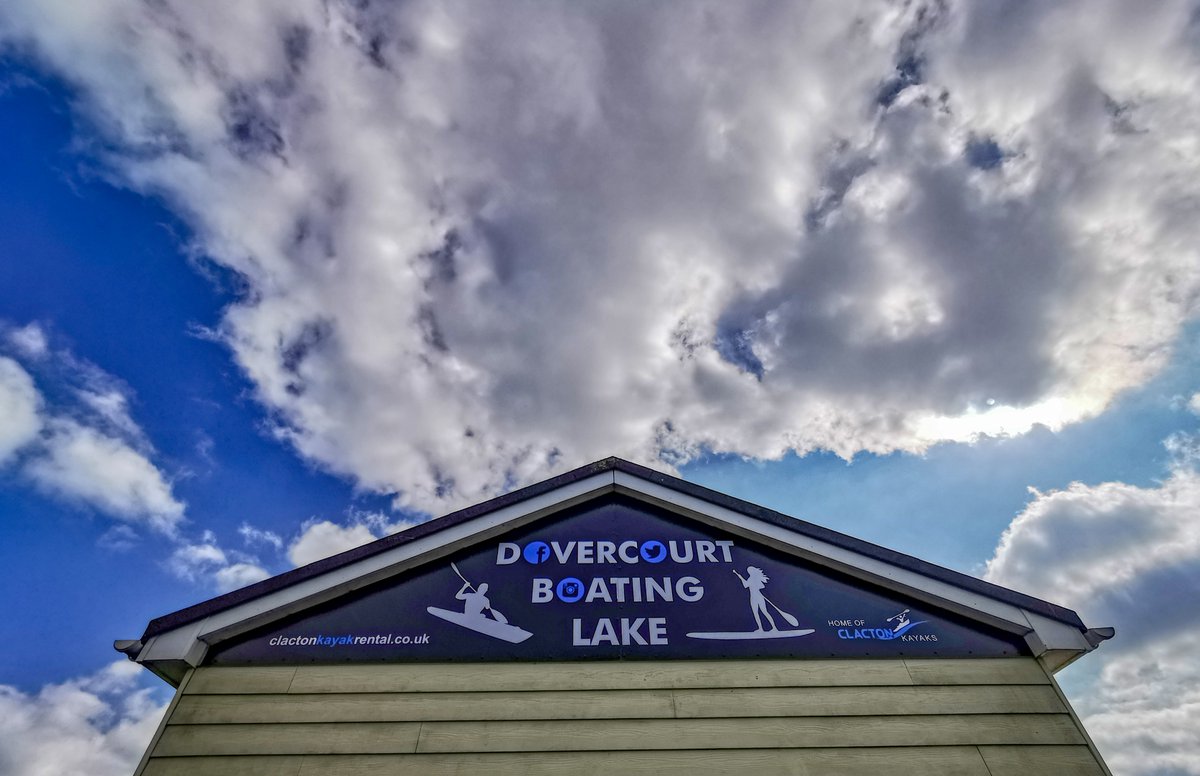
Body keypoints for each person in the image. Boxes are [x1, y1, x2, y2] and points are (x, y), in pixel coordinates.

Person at [735, 566, 777, 632]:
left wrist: (741, 578)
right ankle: (770, 628)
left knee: (757, 613)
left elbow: (745, 585)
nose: (748, 572)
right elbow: (762, 586)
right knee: (764, 612)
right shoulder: (755, 578)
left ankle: (765, 628)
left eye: (749, 571)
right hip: (759, 596)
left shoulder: (751, 578)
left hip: (754, 597)